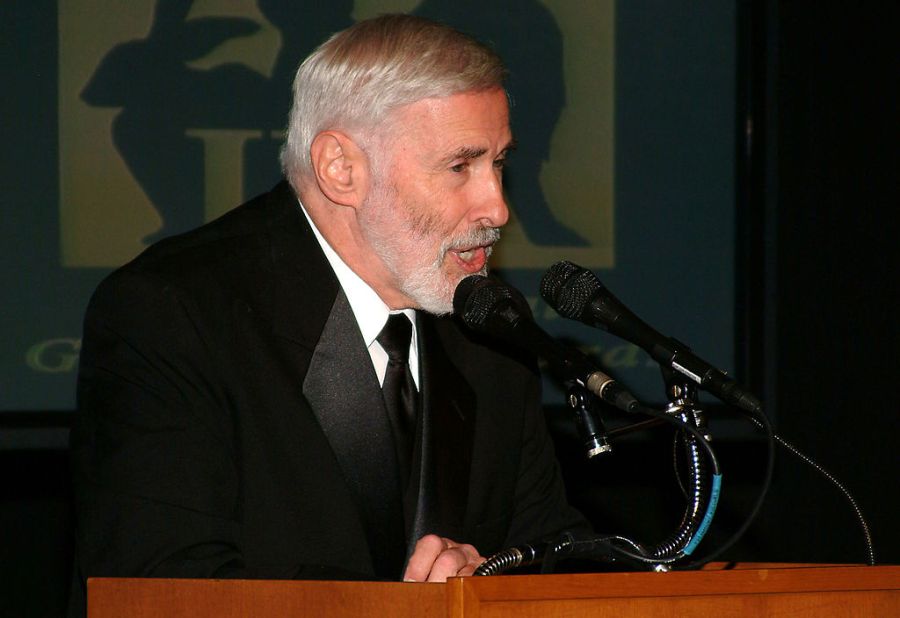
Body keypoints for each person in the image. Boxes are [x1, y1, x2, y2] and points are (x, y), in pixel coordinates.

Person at [69, 13, 587, 613]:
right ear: (341, 169)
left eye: (498, 163)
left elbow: (558, 551)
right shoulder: (173, 314)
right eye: (459, 167)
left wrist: (489, 580)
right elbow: (163, 590)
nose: (496, 206)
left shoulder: (489, 327)